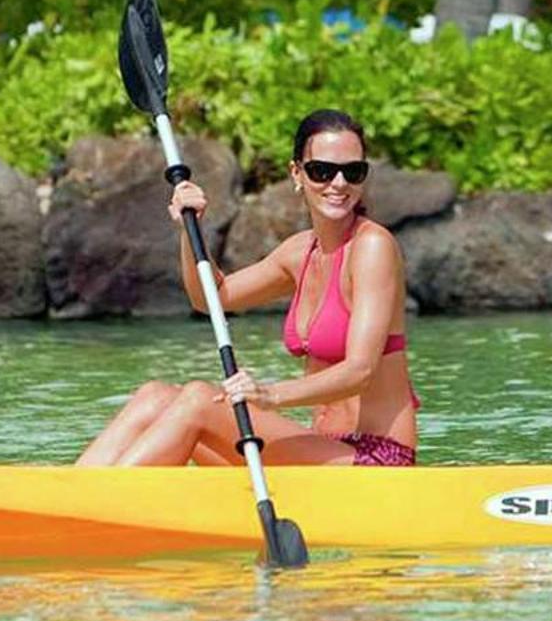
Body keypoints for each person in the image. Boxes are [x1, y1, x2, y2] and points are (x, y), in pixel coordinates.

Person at [75, 109, 420, 467]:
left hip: (375, 461)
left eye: (353, 171)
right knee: (156, 397)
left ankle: (84, 510)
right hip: (321, 453)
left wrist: (269, 395)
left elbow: (359, 371)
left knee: (197, 400)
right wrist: (189, 229)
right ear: (297, 174)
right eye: (322, 171)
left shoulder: (373, 247)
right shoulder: (299, 252)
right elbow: (211, 299)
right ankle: (69, 492)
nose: (338, 183)